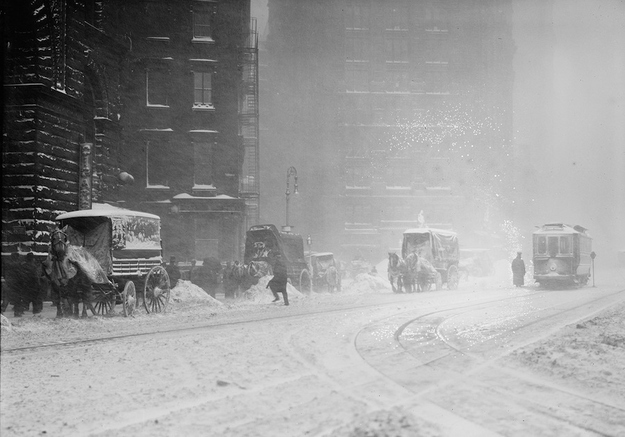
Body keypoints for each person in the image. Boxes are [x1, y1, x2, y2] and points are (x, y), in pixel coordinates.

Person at [22, 252, 44, 317]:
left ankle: (25, 307)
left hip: (26, 283)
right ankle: (36, 309)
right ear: (33, 258)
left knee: (26, 297)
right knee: (36, 298)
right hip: (34, 284)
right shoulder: (35, 266)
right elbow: (36, 275)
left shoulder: (24, 265)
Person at [3, 253, 25, 317]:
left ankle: (2, 310)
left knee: (6, 298)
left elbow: (5, 274)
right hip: (17, 284)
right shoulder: (18, 265)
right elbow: (20, 275)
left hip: (9, 283)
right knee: (17, 299)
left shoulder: (7, 264)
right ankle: (17, 312)